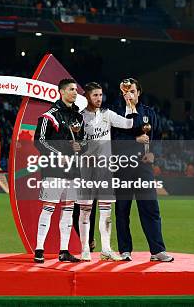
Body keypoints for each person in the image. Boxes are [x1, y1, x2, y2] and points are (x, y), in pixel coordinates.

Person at [111, 78, 174, 262]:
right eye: (126, 91)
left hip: (144, 167)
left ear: (139, 93)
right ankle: (125, 250)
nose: (129, 94)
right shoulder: (115, 114)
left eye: (132, 91)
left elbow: (158, 138)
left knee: (151, 208)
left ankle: (157, 251)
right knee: (122, 210)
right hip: (122, 166)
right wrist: (134, 141)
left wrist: (154, 154)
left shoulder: (149, 113)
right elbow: (111, 142)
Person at [74, 82, 137, 262]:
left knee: (106, 211)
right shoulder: (79, 118)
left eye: (101, 95)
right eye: (95, 95)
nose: (99, 99)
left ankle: (107, 249)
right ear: (86, 96)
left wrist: (129, 102)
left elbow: (128, 123)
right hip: (86, 169)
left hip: (105, 169)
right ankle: (85, 249)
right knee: (85, 211)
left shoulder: (107, 115)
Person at [33, 78, 85, 263]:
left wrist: (80, 146)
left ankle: (64, 250)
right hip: (54, 168)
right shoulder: (49, 115)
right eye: (71, 89)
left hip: (73, 169)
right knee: (48, 208)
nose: (75, 93)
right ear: (61, 92)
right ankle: (39, 249)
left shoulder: (78, 117)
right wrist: (58, 154)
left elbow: (83, 140)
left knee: (69, 209)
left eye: (75, 90)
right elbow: (39, 141)